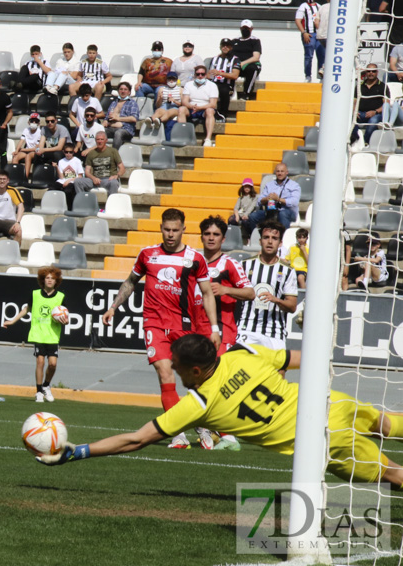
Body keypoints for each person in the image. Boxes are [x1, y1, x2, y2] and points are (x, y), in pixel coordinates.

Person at [39, 334, 403, 491]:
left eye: (178, 366)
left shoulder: (198, 404)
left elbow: (136, 439)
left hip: (319, 437)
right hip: (330, 402)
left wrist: (78, 451)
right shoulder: (241, 355)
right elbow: (299, 358)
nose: (174, 371)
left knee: (392, 474)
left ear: (196, 371)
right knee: (390, 424)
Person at [101, 208, 219, 449]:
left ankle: (202, 425)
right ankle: (177, 434)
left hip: (185, 326)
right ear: (161, 228)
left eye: (175, 230)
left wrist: (214, 328)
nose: (171, 234)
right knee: (165, 374)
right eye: (167, 229)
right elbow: (130, 282)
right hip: (154, 324)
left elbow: (207, 293)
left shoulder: (195, 259)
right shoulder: (147, 254)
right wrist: (113, 306)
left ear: (184, 229)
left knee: (194, 381)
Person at [3, 266, 66, 402]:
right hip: (38, 334)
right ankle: (38, 392)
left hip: (52, 335)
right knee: (40, 361)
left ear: (56, 281)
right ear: (43, 280)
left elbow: (65, 315)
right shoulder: (35, 294)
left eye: (52, 278)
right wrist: (13, 320)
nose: (49, 280)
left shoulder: (61, 297)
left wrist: (65, 321)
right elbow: (27, 308)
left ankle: (46, 385)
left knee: (53, 364)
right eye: (47, 278)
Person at [236, 219, 300, 351]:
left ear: (280, 243)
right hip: (246, 329)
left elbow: (292, 306)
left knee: (278, 372)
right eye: (266, 237)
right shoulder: (244, 265)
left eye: (274, 238)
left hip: (274, 332)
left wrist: (275, 299)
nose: (270, 241)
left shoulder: (288, 271)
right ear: (260, 241)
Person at [197, 216, 256, 360]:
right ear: (201, 237)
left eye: (216, 234)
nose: (211, 238)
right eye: (207, 234)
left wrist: (226, 290)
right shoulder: (194, 263)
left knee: (217, 375)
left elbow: (251, 293)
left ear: (223, 239)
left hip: (221, 330)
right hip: (195, 329)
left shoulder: (229, 264)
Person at [248, 163, 300, 231]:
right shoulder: (269, 185)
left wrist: (278, 199)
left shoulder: (294, 185)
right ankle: (258, 237)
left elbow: (294, 202)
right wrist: (267, 199)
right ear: (275, 172)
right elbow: (259, 201)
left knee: (282, 214)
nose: (280, 173)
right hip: (271, 211)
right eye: (278, 171)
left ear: (286, 172)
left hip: (287, 212)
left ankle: (282, 238)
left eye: (282, 171)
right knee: (253, 216)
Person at [178, 65, 218, 147]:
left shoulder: (212, 85)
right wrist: (192, 106)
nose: (200, 76)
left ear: (206, 75)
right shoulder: (188, 84)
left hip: (205, 109)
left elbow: (213, 104)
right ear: (194, 75)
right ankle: (183, 136)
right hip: (191, 108)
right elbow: (184, 101)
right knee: (181, 109)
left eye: (202, 74)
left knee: (210, 111)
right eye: (198, 74)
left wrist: (200, 108)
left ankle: (208, 139)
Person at [296, 0, 324, 83]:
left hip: (319, 35)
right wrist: (304, 32)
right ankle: (308, 76)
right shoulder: (303, 6)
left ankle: (322, 77)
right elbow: (298, 20)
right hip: (309, 34)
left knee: (321, 55)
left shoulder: (320, 7)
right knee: (309, 55)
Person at [352, 64, 385, 145]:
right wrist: (354, 111)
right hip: (360, 113)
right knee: (350, 119)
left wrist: (375, 112)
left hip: (376, 114)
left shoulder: (383, 86)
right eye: (368, 71)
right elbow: (354, 101)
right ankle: (355, 139)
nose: (371, 73)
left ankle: (365, 142)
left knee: (373, 121)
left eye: (373, 71)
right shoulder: (359, 85)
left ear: (377, 72)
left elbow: (386, 105)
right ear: (365, 73)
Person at [209, 39, 241, 119]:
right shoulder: (215, 59)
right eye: (223, 45)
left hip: (227, 84)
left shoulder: (235, 59)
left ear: (231, 48)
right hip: (214, 82)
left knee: (223, 90)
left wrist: (220, 73)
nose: (225, 47)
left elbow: (235, 75)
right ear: (220, 47)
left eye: (227, 46)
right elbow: (210, 74)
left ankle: (223, 113)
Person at [231, 20, 263, 100]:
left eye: (247, 28)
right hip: (236, 65)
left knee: (253, 69)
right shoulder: (235, 40)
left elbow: (256, 57)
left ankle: (246, 93)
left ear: (251, 29)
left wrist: (242, 63)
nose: (245, 30)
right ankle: (230, 91)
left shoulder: (255, 41)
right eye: (243, 28)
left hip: (249, 64)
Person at [106, 82, 139, 148]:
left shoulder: (132, 103)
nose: (123, 91)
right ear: (118, 91)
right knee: (100, 132)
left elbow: (134, 118)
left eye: (125, 89)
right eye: (121, 89)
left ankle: (114, 155)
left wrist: (118, 118)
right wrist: (105, 122)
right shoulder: (114, 103)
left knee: (118, 133)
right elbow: (107, 117)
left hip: (126, 129)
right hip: (111, 127)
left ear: (129, 92)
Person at [49, 144, 83, 210]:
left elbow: (80, 176)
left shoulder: (77, 161)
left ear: (73, 152)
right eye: (66, 152)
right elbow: (61, 177)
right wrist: (56, 167)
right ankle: (53, 207)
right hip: (63, 180)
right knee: (51, 189)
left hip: (73, 181)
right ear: (63, 152)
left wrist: (69, 180)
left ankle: (69, 209)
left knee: (68, 191)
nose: (68, 154)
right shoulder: (61, 161)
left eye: (70, 152)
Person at [12, 114, 42, 179]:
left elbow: (36, 148)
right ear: (29, 122)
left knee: (28, 157)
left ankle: (25, 177)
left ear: (38, 123)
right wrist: (16, 151)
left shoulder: (40, 132)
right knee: (15, 157)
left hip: (34, 152)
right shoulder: (26, 130)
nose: (34, 123)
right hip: (26, 150)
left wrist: (22, 150)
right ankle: (15, 177)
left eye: (36, 121)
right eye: (32, 121)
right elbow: (21, 141)